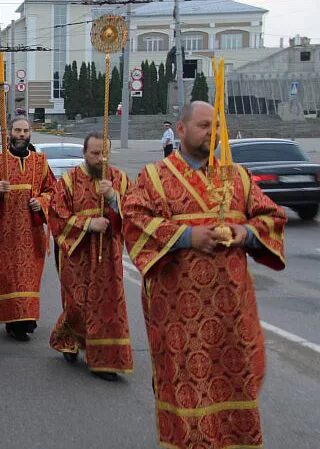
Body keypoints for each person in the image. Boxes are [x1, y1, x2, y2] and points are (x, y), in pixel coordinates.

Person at [123, 101, 286, 449]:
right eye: (203, 126)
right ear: (180, 130)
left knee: (234, 383)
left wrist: (246, 234)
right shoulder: (153, 177)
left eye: (216, 127)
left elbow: (271, 218)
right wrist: (187, 237)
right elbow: (134, 221)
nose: (211, 134)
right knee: (186, 390)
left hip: (231, 312)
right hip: (178, 315)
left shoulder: (236, 176)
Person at [48, 132, 132, 381]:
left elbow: (137, 213)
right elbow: (56, 215)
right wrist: (88, 224)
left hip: (109, 255)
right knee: (78, 305)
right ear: (84, 153)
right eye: (95, 153)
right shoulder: (69, 182)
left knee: (107, 306)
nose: (101, 159)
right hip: (77, 255)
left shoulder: (120, 179)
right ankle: (69, 336)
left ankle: (106, 361)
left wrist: (113, 199)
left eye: (105, 153)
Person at [0, 117, 56, 341]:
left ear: (30, 133)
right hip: (4, 232)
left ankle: (26, 320)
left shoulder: (40, 162)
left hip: (31, 232)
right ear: (9, 133)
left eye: (25, 130)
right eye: (17, 130)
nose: (21, 134)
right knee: (8, 277)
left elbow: (52, 190)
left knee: (28, 277)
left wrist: (41, 201)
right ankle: (12, 320)